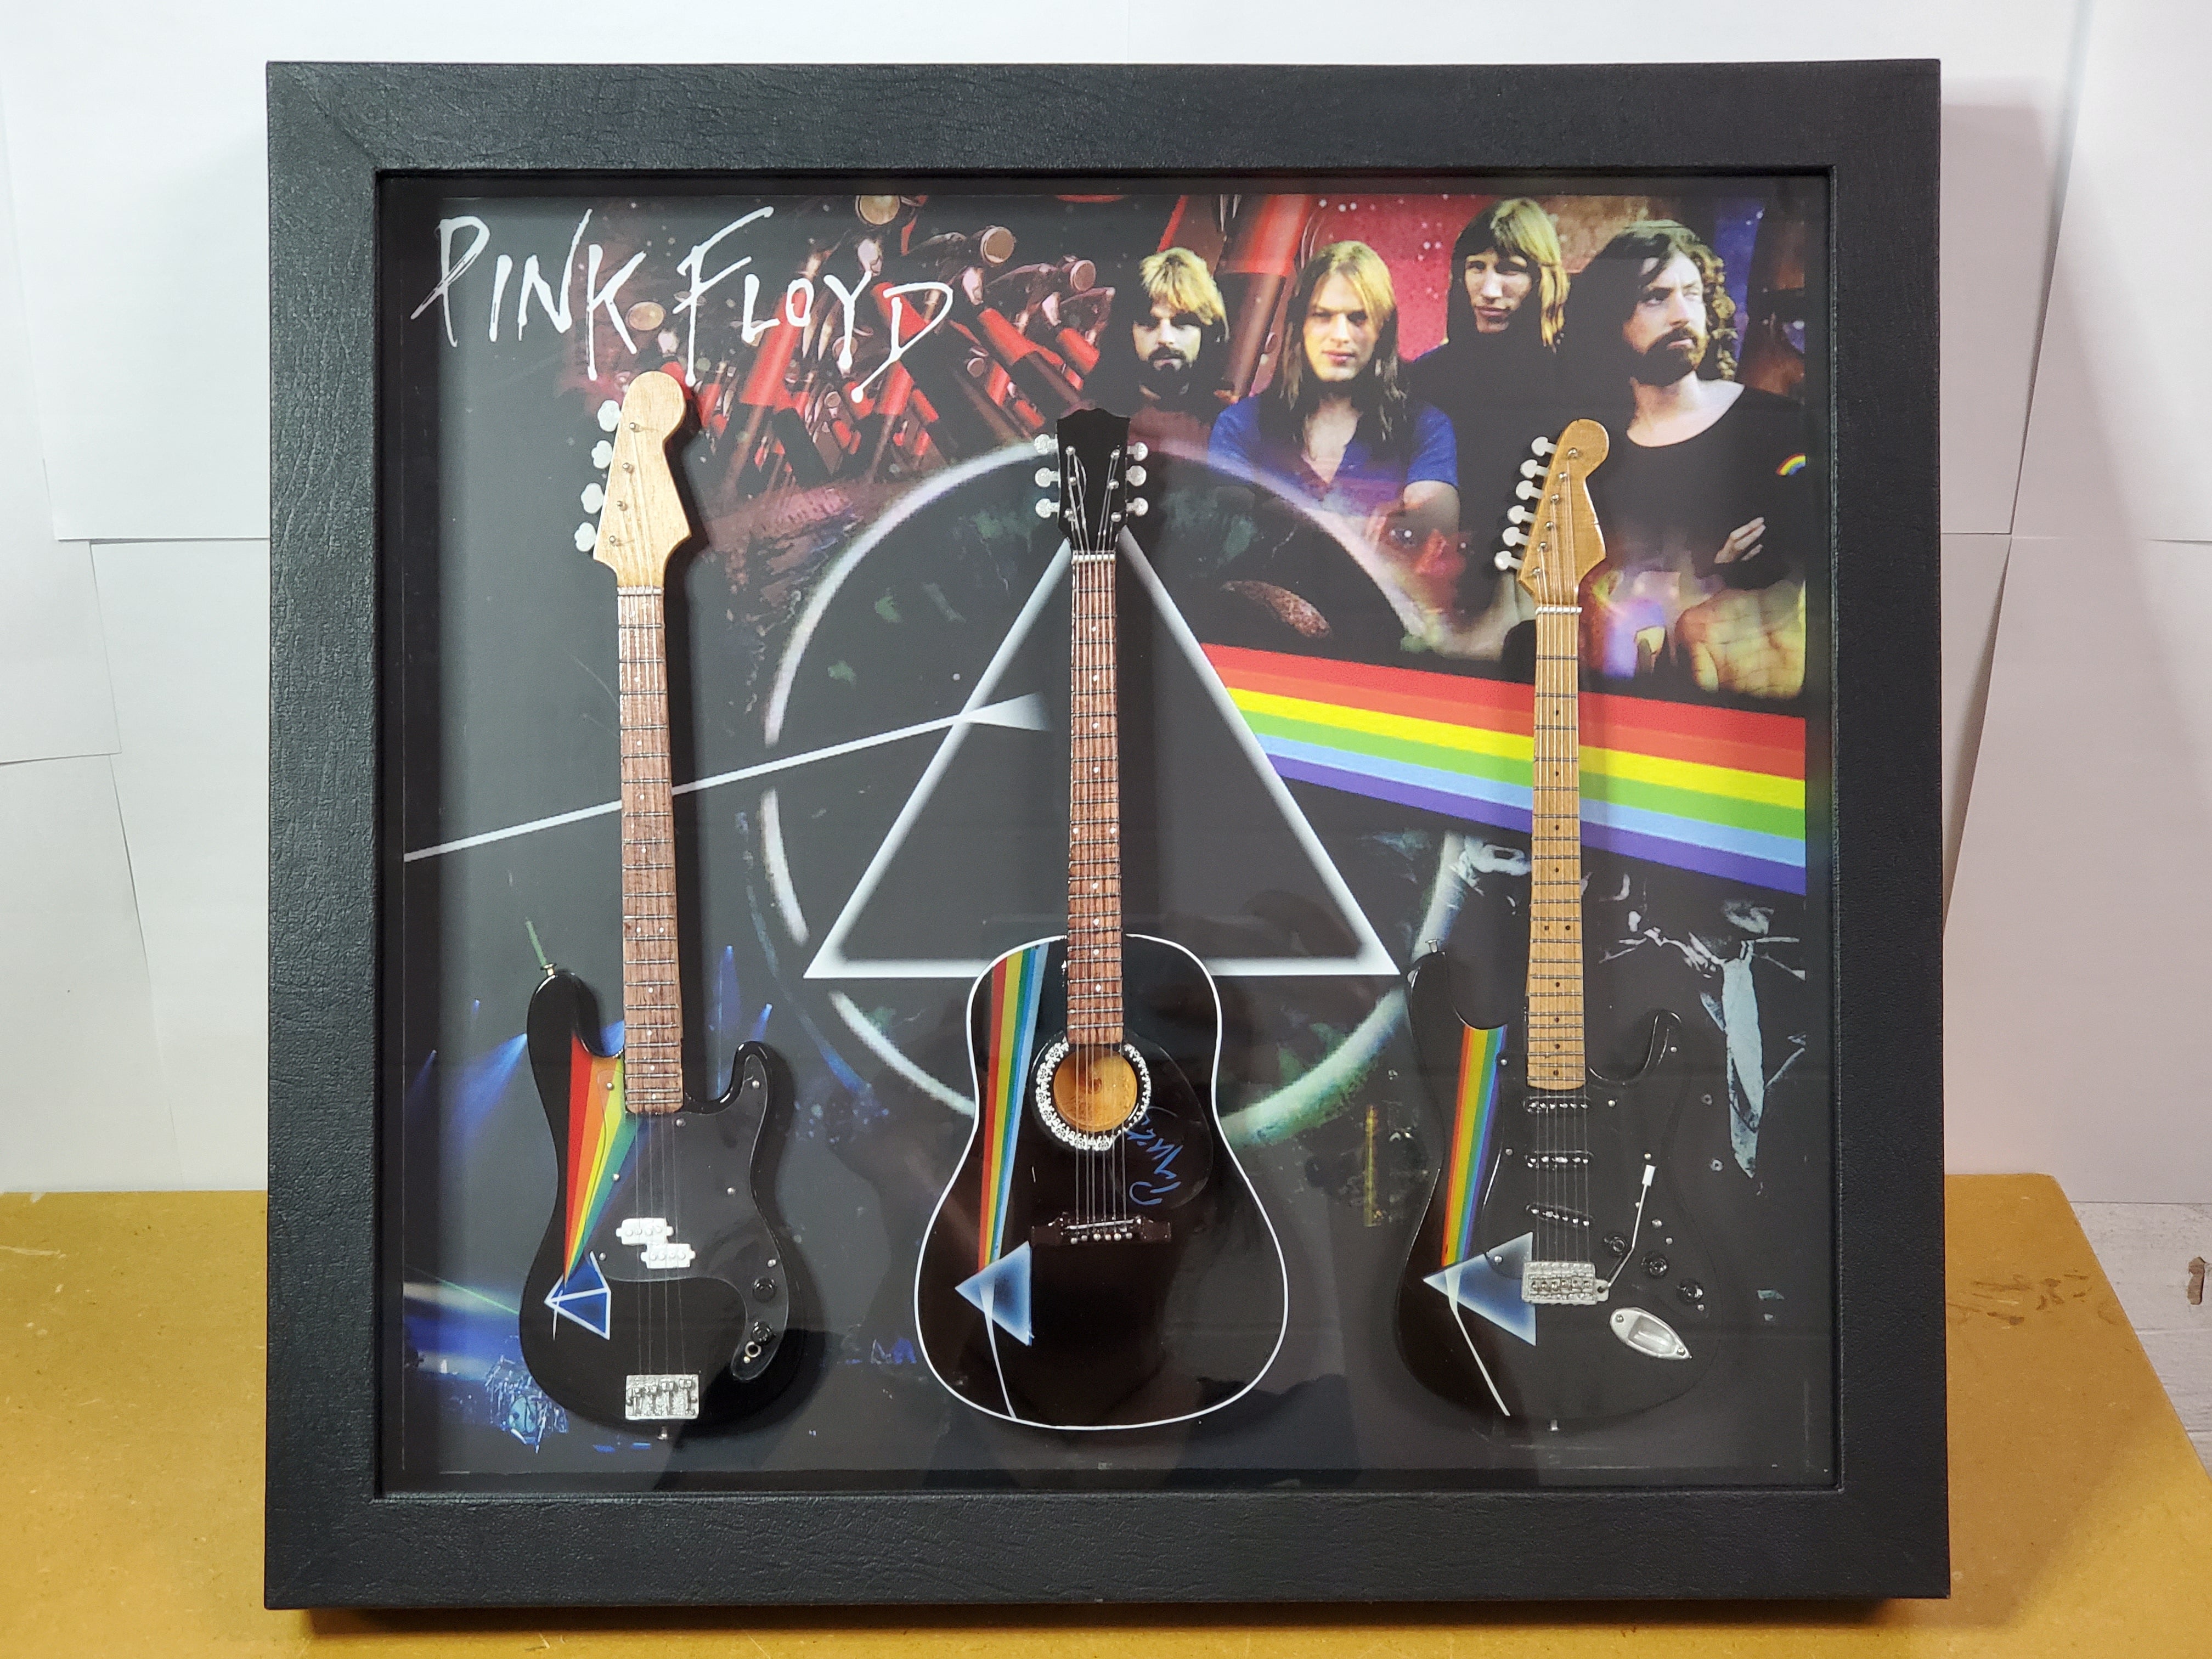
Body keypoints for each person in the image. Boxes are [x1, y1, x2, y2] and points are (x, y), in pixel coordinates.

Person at [1562, 220, 1813, 699]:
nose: (1681, 314)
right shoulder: (1594, 455)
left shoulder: (1778, 424)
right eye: (1656, 298)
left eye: (1693, 294)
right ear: (1612, 318)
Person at [1208, 241, 1460, 642]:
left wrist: (1409, 520)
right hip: (1255, 646)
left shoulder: (1424, 425)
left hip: (1377, 650)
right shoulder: (1242, 423)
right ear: (1299, 325)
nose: (1340, 336)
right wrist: (1352, 527)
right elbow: (1223, 524)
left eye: (1358, 318)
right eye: (1323, 316)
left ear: (1382, 329)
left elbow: (1438, 513)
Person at [1405, 199, 1572, 653]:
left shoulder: (1575, 381)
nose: (1490, 289)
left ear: (1541, 279)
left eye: (1510, 270)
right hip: (1434, 594)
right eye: (1476, 267)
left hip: (1534, 599)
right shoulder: (1425, 378)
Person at [1086, 247, 1231, 450]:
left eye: (1182, 323)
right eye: (1149, 323)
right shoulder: (1088, 424)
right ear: (1127, 332)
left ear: (1208, 333)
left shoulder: (1234, 429)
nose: (1165, 339)